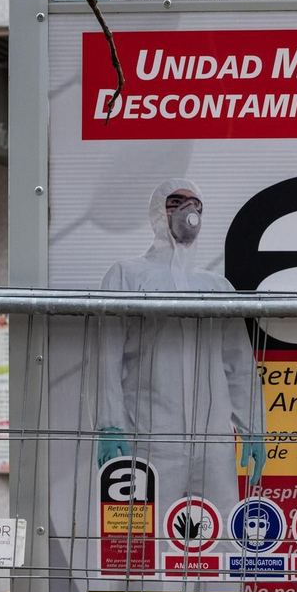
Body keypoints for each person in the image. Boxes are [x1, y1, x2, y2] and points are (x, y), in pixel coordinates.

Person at [94, 179, 266, 536]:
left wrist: (253, 427)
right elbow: (106, 354)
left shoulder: (216, 287)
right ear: (158, 211)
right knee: (144, 541)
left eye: (196, 205)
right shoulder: (128, 276)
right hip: (150, 434)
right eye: (177, 202)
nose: (189, 212)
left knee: (222, 540)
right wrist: (109, 424)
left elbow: (239, 364)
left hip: (214, 439)